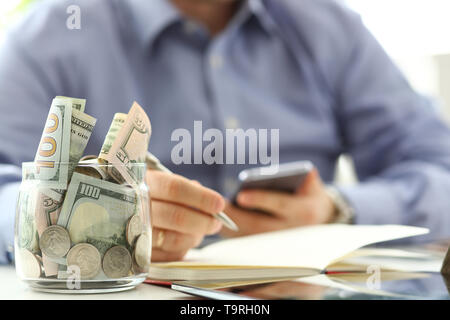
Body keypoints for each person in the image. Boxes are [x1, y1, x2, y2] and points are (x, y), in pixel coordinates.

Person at [1, 0, 450, 265]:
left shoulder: (329, 25)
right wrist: (91, 217)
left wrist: (338, 209)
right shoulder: (48, 35)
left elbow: (439, 167)